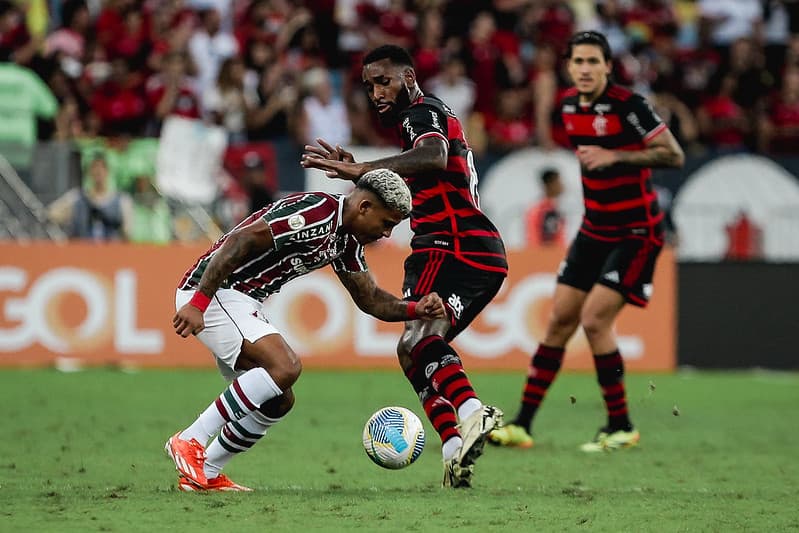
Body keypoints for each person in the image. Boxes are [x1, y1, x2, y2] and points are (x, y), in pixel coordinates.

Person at [301, 44, 507, 488]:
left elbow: (434, 156)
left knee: (419, 340)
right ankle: (454, 448)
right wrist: (366, 171)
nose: (376, 92)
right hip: (479, 251)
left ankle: (471, 412)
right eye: (369, 84)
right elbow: (425, 169)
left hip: (447, 246)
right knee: (412, 348)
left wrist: (364, 170)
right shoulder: (419, 123)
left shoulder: (422, 112)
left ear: (409, 78)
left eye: (384, 81)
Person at [166, 169, 447, 492]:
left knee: (278, 400)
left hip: (241, 299)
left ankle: (207, 472)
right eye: (387, 223)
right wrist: (199, 302)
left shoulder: (345, 242)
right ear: (365, 207)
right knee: (284, 366)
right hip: (216, 292)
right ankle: (189, 440)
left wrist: (415, 308)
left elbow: (370, 300)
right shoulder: (315, 214)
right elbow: (241, 239)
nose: (385, 234)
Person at [489, 31, 684, 452]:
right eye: (578, 61)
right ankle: (523, 424)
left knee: (595, 320)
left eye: (593, 61)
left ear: (608, 67)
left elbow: (674, 154)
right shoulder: (567, 107)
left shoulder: (628, 106)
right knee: (561, 318)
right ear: (569, 66)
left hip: (637, 231)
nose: (585, 69)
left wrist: (619, 156)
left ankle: (621, 426)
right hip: (595, 229)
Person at [525, 168, 566, 247]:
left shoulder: (556, 208)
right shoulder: (539, 210)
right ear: (550, 184)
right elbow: (533, 239)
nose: (562, 185)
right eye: (558, 182)